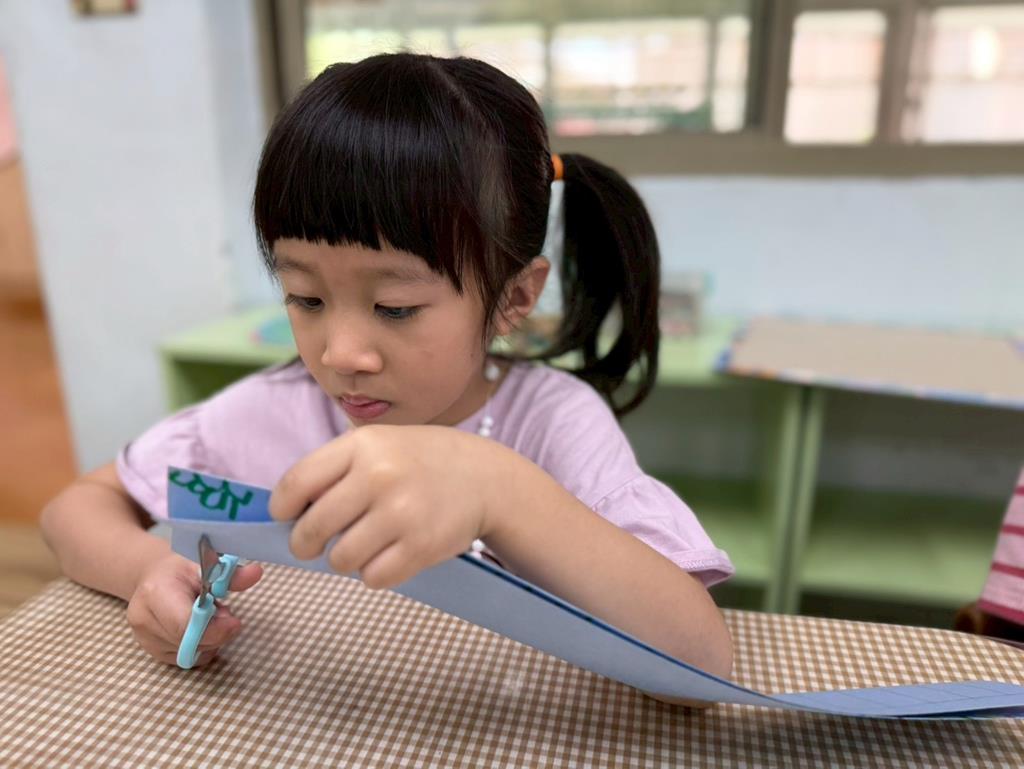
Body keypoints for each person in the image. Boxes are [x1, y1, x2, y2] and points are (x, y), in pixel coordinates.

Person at [40, 53, 735, 696]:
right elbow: (77, 508)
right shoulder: (274, 410)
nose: (340, 353)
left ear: (514, 297)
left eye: (395, 307)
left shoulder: (552, 422)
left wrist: (500, 490)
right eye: (306, 298)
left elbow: (700, 664)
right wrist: (145, 569)